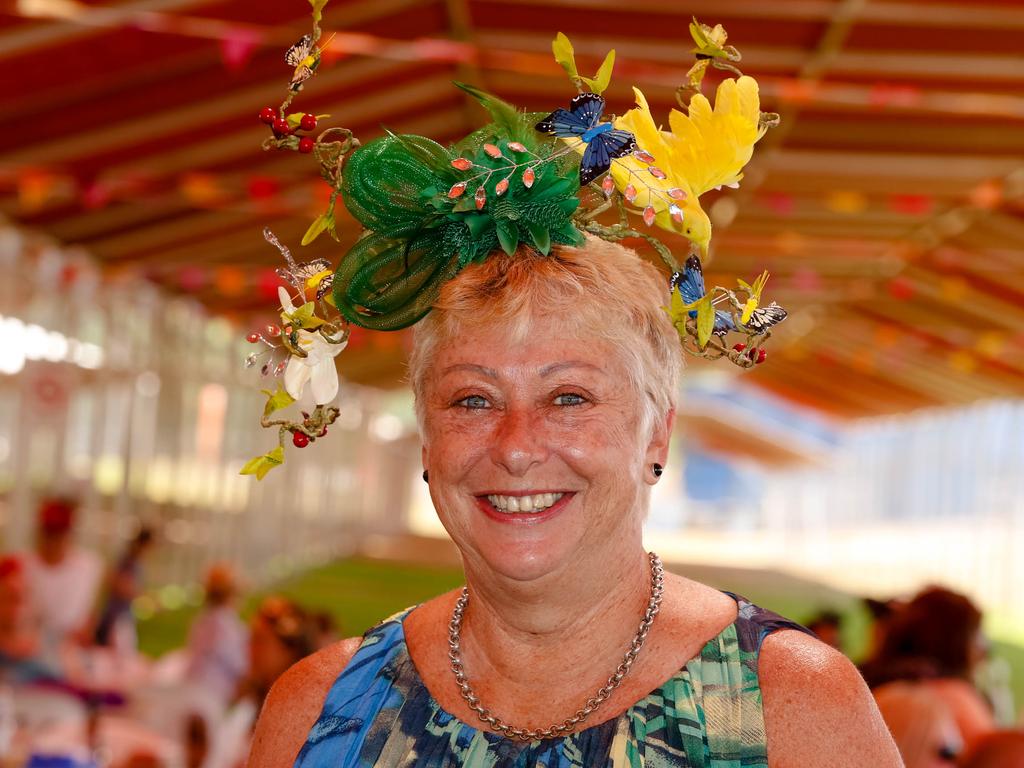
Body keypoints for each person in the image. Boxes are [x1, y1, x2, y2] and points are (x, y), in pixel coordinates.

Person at [248, 239, 901, 766]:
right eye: (472, 399)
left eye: (568, 398)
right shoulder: (322, 710)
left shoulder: (789, 705)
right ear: (427, 439)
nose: (516, 447)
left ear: (657, 433)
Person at [861, 586, 995, 752]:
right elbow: (993, 756)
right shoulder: (954, 697)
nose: (984, 646)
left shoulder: (868, 681)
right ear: (957, 640)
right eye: (976, 633)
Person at [22, 497, 103, 656]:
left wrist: (85, 632)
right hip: (30, 648)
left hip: (71, 651)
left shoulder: (89, 566)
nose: (53, 541)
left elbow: (91, 613)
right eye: (49, 533)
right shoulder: (23, 565)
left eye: (59, 533)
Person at [184, 563, 249, 706]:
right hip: (212, 691)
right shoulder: (226, 626)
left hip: (195, 683)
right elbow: (237, 662)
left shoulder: (203, 620)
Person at [94, 527, 155, 652]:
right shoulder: (128, 560)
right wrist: (144, 597)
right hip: (117, 616)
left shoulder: (133, 560)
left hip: (121, 615)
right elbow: (117, 583)